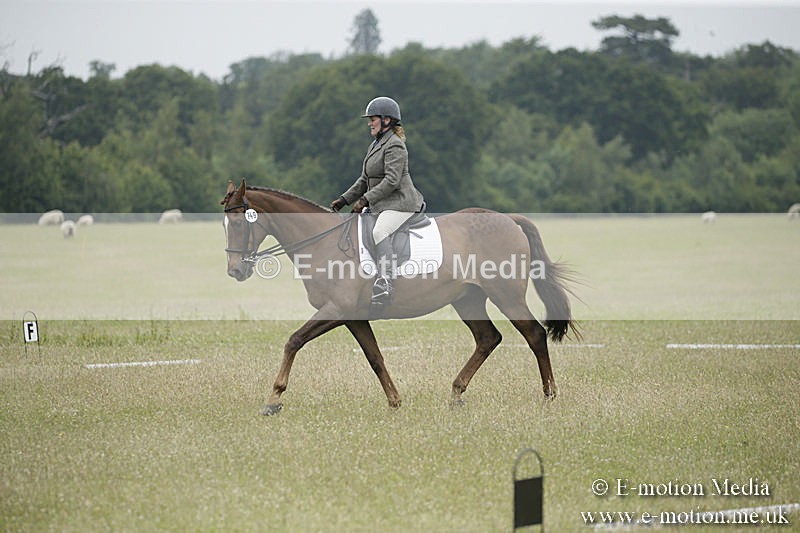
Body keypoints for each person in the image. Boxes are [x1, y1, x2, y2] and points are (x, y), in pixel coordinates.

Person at [330, 96, 425, 307]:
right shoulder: (376, 145)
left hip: (401, 203)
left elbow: (392, 180)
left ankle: (385, 281)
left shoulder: (395, 146)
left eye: (373, 119)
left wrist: (364, 200)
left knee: (379, 231)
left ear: (386, 121)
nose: (369, 123)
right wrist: (344, 199)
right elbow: (364, 179)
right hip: (382, 204)